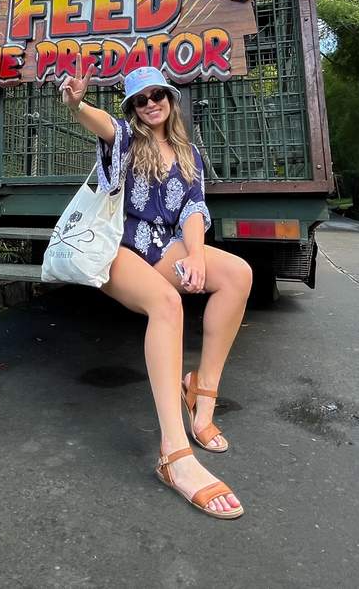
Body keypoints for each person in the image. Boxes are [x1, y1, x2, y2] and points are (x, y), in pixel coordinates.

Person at [60, 65, 251, 520]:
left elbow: (193, 207)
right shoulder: (127, 137)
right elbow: (101, 124)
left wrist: (198, 256)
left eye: (156, 95)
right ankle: (174, 454)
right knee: (167, 304)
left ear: (170, 97)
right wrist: (75, 105)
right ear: (132, 107)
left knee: (238, 274)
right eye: (140, 99)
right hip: (114, 243)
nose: (150, 104)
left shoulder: (187, 151)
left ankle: (201, 393)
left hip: (163, 245)